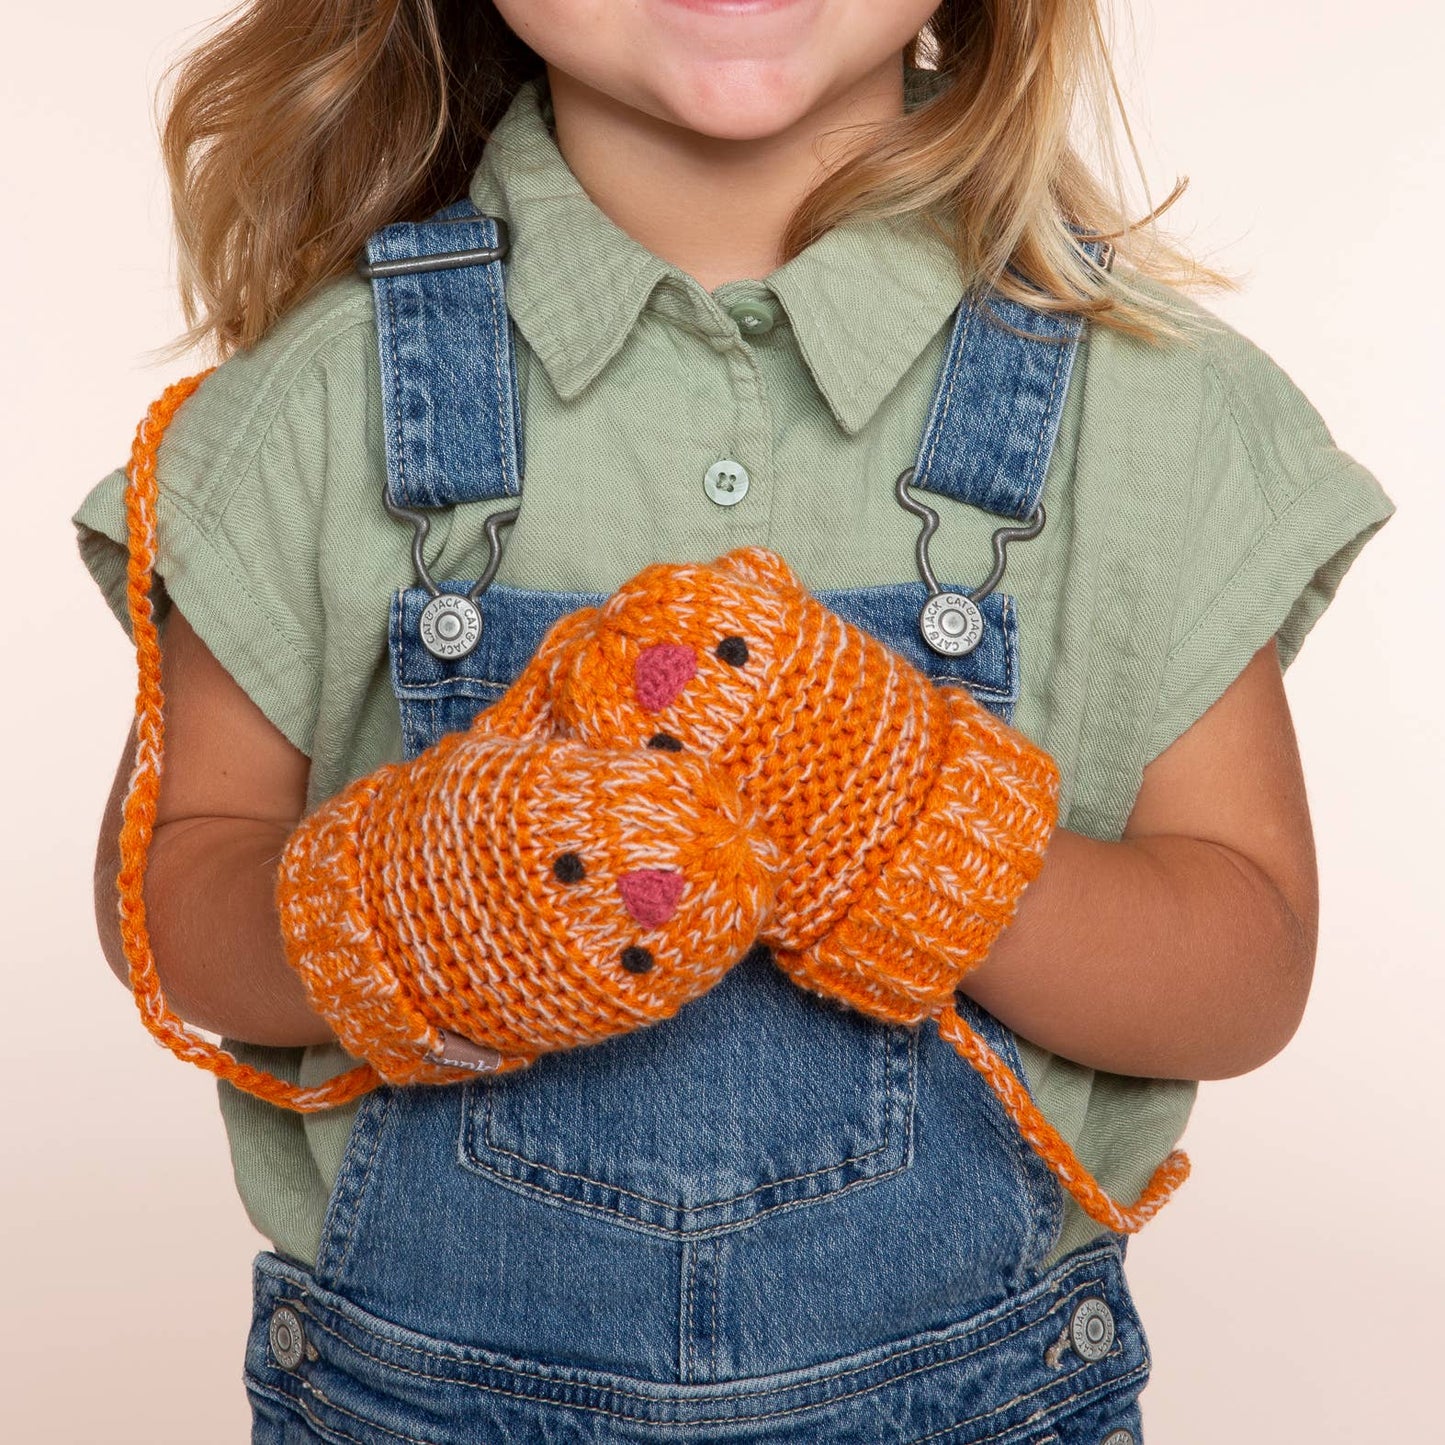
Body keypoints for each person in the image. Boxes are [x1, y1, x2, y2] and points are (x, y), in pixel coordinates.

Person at [71, 2, 1396, 1440]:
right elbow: (165, 887)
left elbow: (1247, 958)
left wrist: (911, 838)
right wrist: (408, 909)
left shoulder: (1151, 414)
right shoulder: (325, 406)